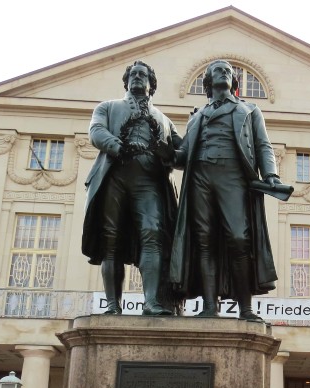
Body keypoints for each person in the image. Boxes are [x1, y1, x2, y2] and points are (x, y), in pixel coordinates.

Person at [169, 59, 289, 322]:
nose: (224, 72)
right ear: (209, 82)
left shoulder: (249, 110)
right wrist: (163, 150)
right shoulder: (197, 116)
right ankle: (210, 306)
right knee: (204, 239)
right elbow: (182, 156)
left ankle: (245, 308)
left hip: (233, 176)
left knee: (238, 238)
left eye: (228, 71)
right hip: (200, 176)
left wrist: (270, 174)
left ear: (233, 82)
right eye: (217, 70)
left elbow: (263, 145)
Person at [82, 60, 182, 316]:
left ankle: (151, 302)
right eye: (133, 75)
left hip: (150, 182)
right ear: (126, 82)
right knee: (111, 240)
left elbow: (183, 155)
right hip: (114, 176)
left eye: (143, 75)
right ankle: (113, 306)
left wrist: (168, 152)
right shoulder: (108, 107)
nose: (138, 78)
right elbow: (96, 132)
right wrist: (119, 146)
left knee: (152, 234)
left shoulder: (165, 121)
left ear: (152, 85)